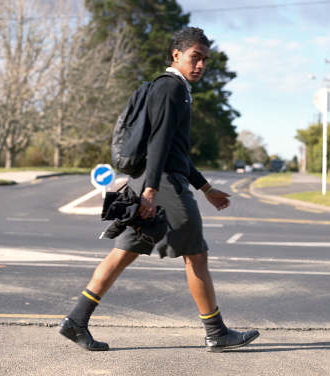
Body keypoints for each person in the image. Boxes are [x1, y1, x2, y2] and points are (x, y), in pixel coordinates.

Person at [59, 27, 260, 352]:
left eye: (205, 60)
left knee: (123, 253)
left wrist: (206, 188)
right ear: (176, 55)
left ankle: (76, 321)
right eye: (195, 57)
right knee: (196, 255)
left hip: (150, 183)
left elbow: (175, 151)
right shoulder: (171, 89)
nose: (201, 65)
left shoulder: (170, 88)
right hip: (164, 187)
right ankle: (216, 332)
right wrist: (151, 191)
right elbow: (159, 144)